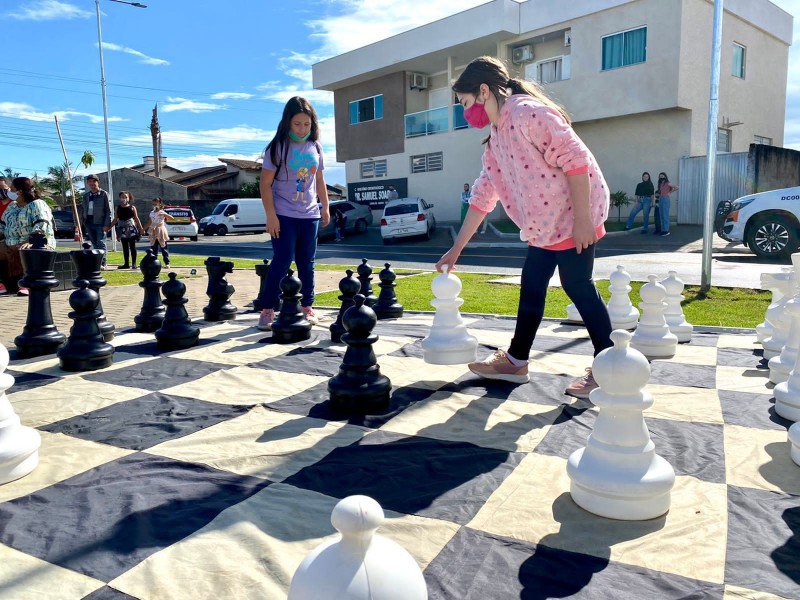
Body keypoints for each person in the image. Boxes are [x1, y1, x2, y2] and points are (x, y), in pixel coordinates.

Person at [437, 55, 612, 399]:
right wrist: (457, 248)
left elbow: (576, 161)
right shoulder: (496, 137)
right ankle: (516, 361)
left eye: (465, 102)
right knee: (532, 284)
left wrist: (582, 221)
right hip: (545, 226)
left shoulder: (529, 113)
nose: (465, 112)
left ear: (484, 91)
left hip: (576, 215)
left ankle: (608, 367)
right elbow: (483, 195)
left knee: (577, 286)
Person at [257, 96, 330, 330]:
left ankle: (307, 306)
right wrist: (271, 215)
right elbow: (264, 184)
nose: (302, 128)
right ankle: (268, 310)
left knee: (306, 263)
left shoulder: (315, 146)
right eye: (297, 124)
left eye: (307, 124)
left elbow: (319, 180)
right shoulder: (277, 147)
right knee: (282, 260)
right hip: (283, 214)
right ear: (288, 122)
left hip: (310, 215)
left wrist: (325, 207)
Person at [0, 177, 56, 296]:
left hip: (36, 242)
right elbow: (2, 226)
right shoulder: (12, 206)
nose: (9, 192)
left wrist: (31, 241)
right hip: (11, 243)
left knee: (26, 249)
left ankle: (27, 284)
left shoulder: (37, 204)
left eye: (12, 189)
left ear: (19, 191)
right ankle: (2, 284)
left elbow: (42, 224)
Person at [108, 191, 145, 269]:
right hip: (122, 229)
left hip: (131, 228)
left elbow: (136, 218)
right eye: (122, 197)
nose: (124, 199)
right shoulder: (118, 207)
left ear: (129, 198)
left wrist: (141, 228)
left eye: (125, 197)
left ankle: (134, 264)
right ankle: (126, 264)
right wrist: (109, 227)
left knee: (132, 246)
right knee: (124, 247)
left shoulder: (132, 207)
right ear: (119, 198)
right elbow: (116, 219)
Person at [82, 174, 111, 268]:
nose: (92, 183)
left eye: (94, 181)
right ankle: (97, 262)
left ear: (98, 182)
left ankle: (103, 263)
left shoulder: (104, 194)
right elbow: (83, 209)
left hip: (100, 223)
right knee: (94, 243)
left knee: (101, 243)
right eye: (90, 181)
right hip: (89, 222)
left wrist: (107, 224)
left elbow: (109, 210)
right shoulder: (86, 195)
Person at [144, 197, 172, 265]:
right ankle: (154, 262)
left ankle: (167, 262)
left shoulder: (161, 212)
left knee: (163, 247)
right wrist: (143, 229)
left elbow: (171, 217)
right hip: (153, 230)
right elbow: (150, 222)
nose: (154, 206)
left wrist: (164, 215)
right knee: (153, 247)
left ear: (159, 204)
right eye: (153, 204)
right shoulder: (152, 213)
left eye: (156, 204)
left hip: (160, 230)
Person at [656, 172, 678, 236]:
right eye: (660, 176)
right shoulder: (660, 184)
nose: (661, 177)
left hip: (665, 199)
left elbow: (677, 187)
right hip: (661, 199)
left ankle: (666, 230)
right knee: (661, 215)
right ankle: (663, 230)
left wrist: (670, 192)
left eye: (662, 176)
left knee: (665, 215)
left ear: (665, 177)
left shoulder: (668, 183)